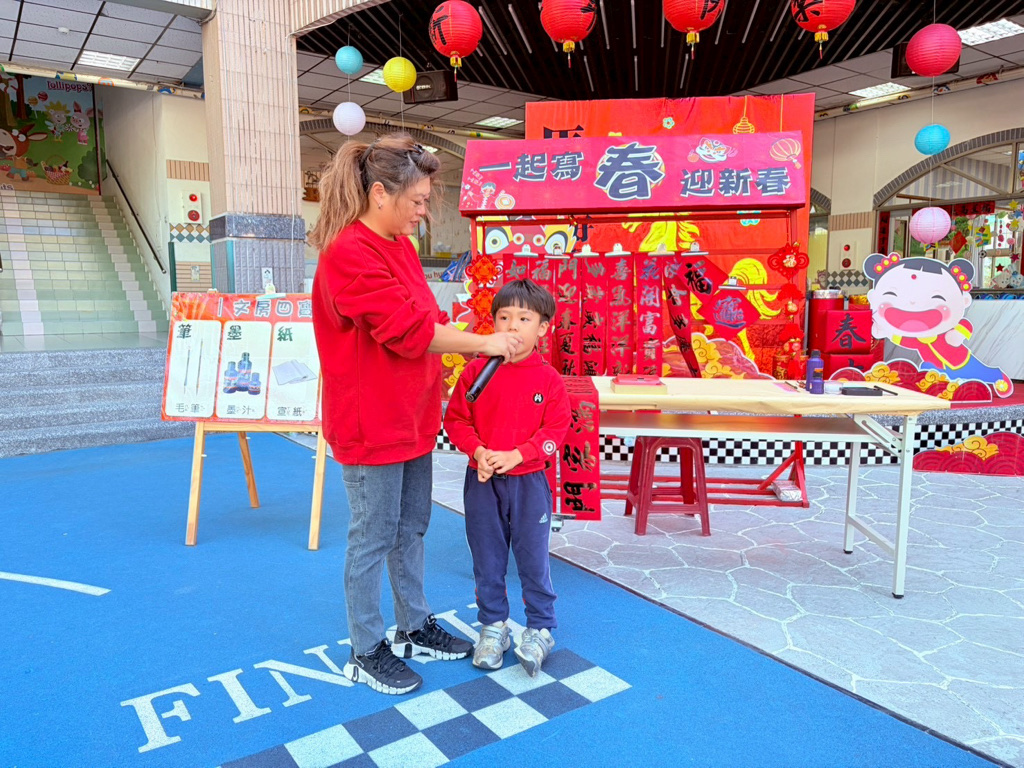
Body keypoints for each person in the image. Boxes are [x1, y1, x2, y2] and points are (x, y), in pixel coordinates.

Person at [310, 133, 523, 695]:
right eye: (419, 200)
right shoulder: (348, 253)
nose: (424, 211)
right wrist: (484, 343)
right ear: (380, 193)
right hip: (371, 423)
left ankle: (413, 625)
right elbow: (409, 332)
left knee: (411, 528)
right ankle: (365, 647)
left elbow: (425, 321)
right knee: (373, 535)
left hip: (411, 417)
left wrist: (474, 342)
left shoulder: (399, 245)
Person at [443, 279, 571, 677]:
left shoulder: (548, 379)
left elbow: (555, 430)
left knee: (533, 558)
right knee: (487, 558)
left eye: (524, 318)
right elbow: (457, 420)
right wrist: (478, 452)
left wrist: (519, 454)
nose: (512, 326)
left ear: (543, 327)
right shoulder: (475, 372)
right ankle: (493, 627)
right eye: (504, 317)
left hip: (529, 484)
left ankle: (540, 628)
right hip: (482, 483)